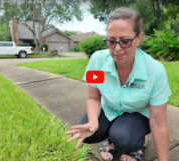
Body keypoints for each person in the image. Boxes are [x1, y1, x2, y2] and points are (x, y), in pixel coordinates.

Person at [65, 7, 171, 161]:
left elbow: (159, 122)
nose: (117, 49)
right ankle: (112, 141)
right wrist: (93, 121)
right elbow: (93, 98)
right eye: (111, 41)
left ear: (139, 37)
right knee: (88, 133)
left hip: (138, 113)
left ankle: (139, 143)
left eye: (125, 41)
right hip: (109, 108)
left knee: (124, 137)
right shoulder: (97, 60)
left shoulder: (155, 71)